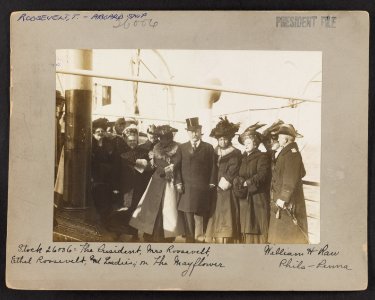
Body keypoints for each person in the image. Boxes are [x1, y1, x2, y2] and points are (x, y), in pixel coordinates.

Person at [130, 125, 184, 242]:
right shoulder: (156, 148)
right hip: (156, 182)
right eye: (162, 138)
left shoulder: (177, 148)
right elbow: (152, 166)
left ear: (170, 137)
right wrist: (138, 164)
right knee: (153, 207)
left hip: (169, 182)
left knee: (167, 208)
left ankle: (166, 236)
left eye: (167, 138)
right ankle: (150, 233)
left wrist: (167, 171)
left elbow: (177, 164)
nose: (164, 140)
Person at [176, 117, 217, 243]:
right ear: (188, 133)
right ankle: (189, 242)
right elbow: (176, 168)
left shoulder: (208, 148)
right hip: (187, 190)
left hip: (202, 189)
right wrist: (178, 182)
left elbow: (213, 167)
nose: (194, 134)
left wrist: (211, 182)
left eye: (196, 131)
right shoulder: (182, 148)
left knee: (200, 217)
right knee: (188, 217)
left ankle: (199, 241)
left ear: (200, 131)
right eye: (191, 131)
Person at [268, 124, 309, 244]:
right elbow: (302, 172)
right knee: (283, 232)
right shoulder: (287, 152)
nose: (278, 139)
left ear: (285, 139)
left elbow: (290, 178)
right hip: (284, 198)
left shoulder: (292, 154)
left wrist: (283, 197)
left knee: (290, 233)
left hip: (287, 200)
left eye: (279, 137)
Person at [205, 117, 242, 243]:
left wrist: (224, 182)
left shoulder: (235, 153)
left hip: (226, 189)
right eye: (220, 139)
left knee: (226, 213)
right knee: (214, 212)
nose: (223, 141)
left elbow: (233, 169)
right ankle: (214, 237)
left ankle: (225, 238)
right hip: (213, 188)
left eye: (225, 138)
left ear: (230, 138)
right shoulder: (214, 152)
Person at [233, 122, 271, 244]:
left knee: (257, 224)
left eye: (249, 143)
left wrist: (248, 182)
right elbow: (239, 174)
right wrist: (238, 181)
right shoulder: (243, 158)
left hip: (257, 197)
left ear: (255, 144)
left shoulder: (262, 157)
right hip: (245, 197)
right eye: (245, 143)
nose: (246, 145)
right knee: (245, 223)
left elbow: (262, 174)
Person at [91, 118, 117, 227]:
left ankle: (105, 223)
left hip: (107, 178)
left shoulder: (108, 143)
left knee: (107, 201)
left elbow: (113, 158)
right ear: (93, 133)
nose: (100, 134)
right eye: (98, 132)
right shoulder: (91, 143)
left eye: (102, 131)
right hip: (95, 177)